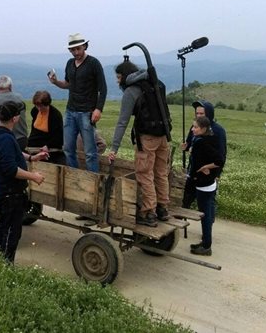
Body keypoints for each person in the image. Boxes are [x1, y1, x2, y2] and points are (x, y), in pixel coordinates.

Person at [108, 61, 172, 227]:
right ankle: (163, 208)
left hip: (147, 138)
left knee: (144, 174)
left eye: (119, 77)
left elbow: (122, 122)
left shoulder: (131, 91)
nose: (118, 81)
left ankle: (148, 212)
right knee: (160, 172)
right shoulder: (155, 82)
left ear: (126, 75)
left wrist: (114, 148)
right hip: (163, 136)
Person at [0, 101, 47, 263]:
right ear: (15, 119)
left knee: (4, 225)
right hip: (9, 192)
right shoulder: (4, 139)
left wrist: (32, 157)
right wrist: (34, 176)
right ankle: (5, 263)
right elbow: (11, 169)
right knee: (12, 231)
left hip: (4, 190)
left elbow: (14, 153)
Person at [48, 33, 107, 172]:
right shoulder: (69, 63)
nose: (76, 52)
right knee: (68, 149)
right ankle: (75, 177)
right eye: (72, 50)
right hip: (70, 111)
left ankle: (93, 181)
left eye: (78, 49)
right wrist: (56, 82)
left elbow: (103, 89)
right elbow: (68, 84)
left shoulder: (94, 63)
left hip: (87, 112)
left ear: (85, 46)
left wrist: (98, 109)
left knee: (90, 152)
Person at [181, 100, 227, 209]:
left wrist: (217, 174)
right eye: (197, 113)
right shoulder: (195, 127)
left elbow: (222, 154)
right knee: (185, 201)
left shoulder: (219, 131)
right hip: (193, 171)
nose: (199, 116)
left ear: (209, 114)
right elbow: (190, 145)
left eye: (202, 114)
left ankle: (208, 223)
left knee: (208, 204)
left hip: (209, 173)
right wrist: (186, 147)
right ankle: (181, 222)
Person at [188, 116, 223, 256]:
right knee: (206, 214)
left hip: (204, 185)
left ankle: (207, 246)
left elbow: (219, 160)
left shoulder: (202, 142)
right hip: (209, 183)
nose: (192, 129)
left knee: (205, 216)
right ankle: (205, 243)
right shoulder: (210, 139)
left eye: (195, 127)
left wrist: (204, 167)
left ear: (203, 129)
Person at [27, 90, 65, 164]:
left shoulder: (55, 115)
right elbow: (33, 130)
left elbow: (59, 137)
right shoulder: (34, 111)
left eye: (41, 106)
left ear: (47, 104)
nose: (39, 108)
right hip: (34, 143)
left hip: (49, 143)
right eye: (37, 106)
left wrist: (48, 146)